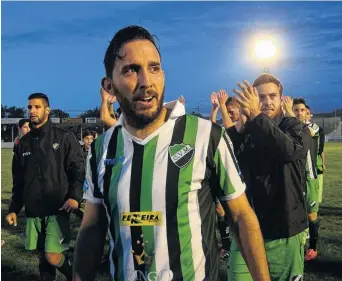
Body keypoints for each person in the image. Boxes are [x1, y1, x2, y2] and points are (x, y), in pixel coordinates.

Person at [73, 25, 271, 281]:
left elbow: (241, 215)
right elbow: (91, 229)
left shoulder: (205, 136)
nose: (146, 82)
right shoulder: (102, 148)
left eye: (154, 68)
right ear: (109, 86)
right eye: (132, 70)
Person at [226, 74, 310, 281]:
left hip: (284, 227)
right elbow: (225, 158)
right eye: (261, 97)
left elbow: (287, 151)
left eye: (272, 96)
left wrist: (256, 116)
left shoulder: (294, 126)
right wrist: (241, 125)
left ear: (281, 99)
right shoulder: (245, 129)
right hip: (247, 228)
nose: (266, 102)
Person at [6, 93, 85, 281]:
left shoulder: (64, 137)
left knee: (53, 256)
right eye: (30, 107)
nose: (32, 111)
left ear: (47, 110)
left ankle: (76, 276)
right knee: (44, 259)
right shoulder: (22, 144)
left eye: (37, 107)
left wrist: (74, 196)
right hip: (34, 211)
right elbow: (19, 180)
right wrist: (14, 209)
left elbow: (78, 169)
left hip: (57, 208)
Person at [292, 98, 321, 261]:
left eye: (301, 110)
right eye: (295, 110)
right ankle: (299, 244)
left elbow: (307, 133)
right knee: (296, 213)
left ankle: (313, 248)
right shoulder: (290, 128)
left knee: (311, 214)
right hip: (295, 178)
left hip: (310, 178)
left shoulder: (312, 127)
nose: (298, 113)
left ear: (307, 113)